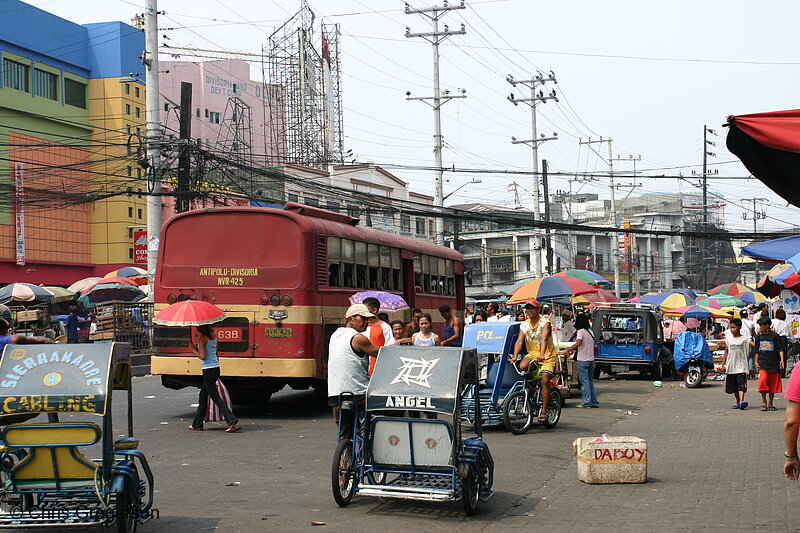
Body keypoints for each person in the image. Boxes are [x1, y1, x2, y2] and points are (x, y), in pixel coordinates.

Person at [327, 304, 380, 440]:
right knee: (388, 411)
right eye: (362, 318)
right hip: (358, 394)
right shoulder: (358, 338)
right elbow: (380, 353)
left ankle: (344, 459)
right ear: (351, 319)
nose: (366, 322)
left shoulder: (335, 335)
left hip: (335, 395)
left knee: (345, 436)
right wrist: (396, 347)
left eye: (367, 319)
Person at [188, 324, 240, 432]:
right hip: (216, 368)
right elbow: (215, 353)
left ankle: (231, 420)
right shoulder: (214, 336)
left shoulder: (202, 339)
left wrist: (193, 349)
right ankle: (197, 424)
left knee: (215, 397)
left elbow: (203, 356)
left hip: (208, 370)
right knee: (203, 397)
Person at [512, 300, 557, 423]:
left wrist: (542, 354)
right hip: (533, 354)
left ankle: (544, 411)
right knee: (522, 366)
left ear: (538, 310)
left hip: (547, 354)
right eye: (528, 308)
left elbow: (544, 339)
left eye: (532, 308)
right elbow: (520, 341)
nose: (529, 311)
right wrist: (515, 356)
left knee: (545, 380)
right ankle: (531, 387)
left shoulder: (545, 323)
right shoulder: (524, 325)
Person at [560, 313, 598, 408]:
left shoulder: (581, 331)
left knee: (584, 382)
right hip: (591, 360)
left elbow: (579, 343)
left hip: (583, 360)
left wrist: (567, 350)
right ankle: (593, 402)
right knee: (590, 382)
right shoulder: (590, 331)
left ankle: (586, 402)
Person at [753, 316, 785, 412]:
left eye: (761, 325)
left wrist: (782, 360)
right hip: (763, 363)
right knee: (762, 381)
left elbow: (780, 349)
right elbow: (757, 351)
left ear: (767, 326)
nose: (760, 327)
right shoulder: (759, 337)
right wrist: (756, 361)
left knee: (772, 383)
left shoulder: (775, 336)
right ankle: (764, 402)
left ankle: (770, 403)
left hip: (774, 363)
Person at [362, 297, 395, 375]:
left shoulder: (385, 327)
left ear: (374, 310)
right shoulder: (361, 327)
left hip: (378, 370)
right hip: (363, 370)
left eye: (366, 310)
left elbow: (389, 348)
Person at [723, 318, 750, 410]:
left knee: (741, 384)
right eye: (731, 328)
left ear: (739, 327)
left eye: (734, 327)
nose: (732, 330)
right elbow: (726, 352)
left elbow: (752, 345)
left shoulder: (744, 339)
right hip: (731, 365)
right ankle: (738, 401)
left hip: (741, 365)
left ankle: (742, 401)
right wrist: (723, 364)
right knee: (733, 386)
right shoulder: (728, 339)